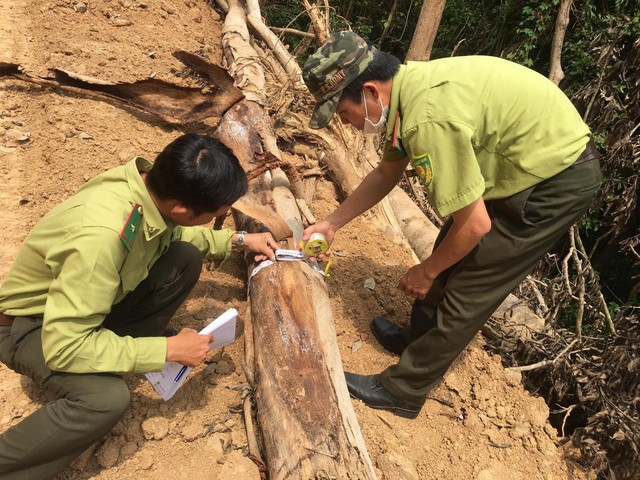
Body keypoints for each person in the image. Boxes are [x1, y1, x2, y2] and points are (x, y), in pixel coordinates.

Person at [301, 31, 602, 419]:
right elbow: (386, 173)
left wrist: (427, 271)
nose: (347, 124)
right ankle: (416, 341)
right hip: (519, 160)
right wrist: (332, 223)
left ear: (371, 92)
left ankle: (403, 390)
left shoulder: (427, 118)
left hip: (556, 177)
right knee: (450, 245)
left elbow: (475, 225)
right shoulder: (406, 96)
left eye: (343, 113)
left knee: (470, 283)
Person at [0, 133, 278, 478]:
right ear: (181, 209)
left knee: (184, 257)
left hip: (83, 306)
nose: (218, 218)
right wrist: (164, 349)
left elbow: (171, 233)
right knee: (104, 401)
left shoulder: (145, 188)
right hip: (29, 328)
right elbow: (65, 346)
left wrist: (237, 239)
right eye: (216, 215)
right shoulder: (100, 239)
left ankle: (113, 353)